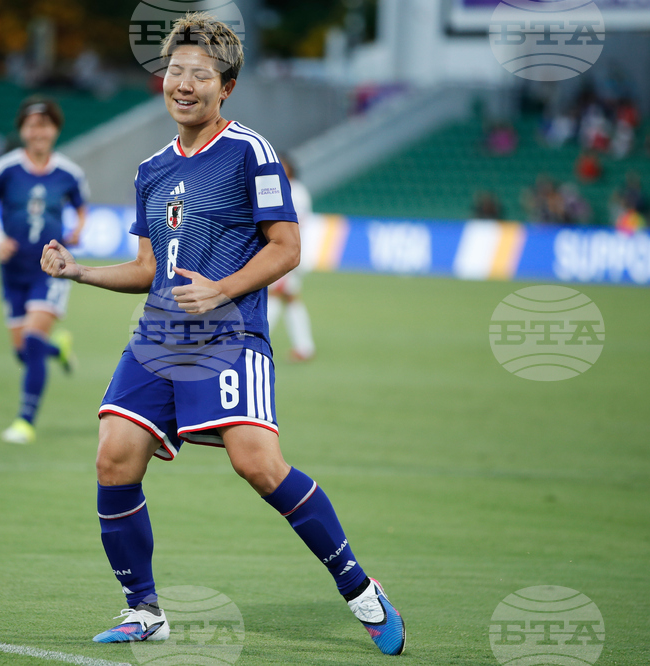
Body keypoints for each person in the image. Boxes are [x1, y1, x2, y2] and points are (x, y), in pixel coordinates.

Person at [41, 12, 405, 656]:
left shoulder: (250, 152)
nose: (183, 84)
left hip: (230, 335)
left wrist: (222, 288)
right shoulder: (151, 169)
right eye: (175, 71)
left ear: (226, 87)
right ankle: (143, 610)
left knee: (257, 464)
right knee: (114, 455)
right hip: (157, 337)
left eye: (200, 75)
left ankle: (360, 588)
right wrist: (80, 271)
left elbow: (287, 247)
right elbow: (148, 269)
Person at [0, 97, 86, 445]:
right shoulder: (6, 168)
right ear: (22, 130)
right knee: (23, 351)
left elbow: (81, 207)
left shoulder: (69, 173)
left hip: (50, 269)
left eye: (45, 125)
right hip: (13, 269)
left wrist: (78, 230)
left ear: (56, 129)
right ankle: (59, 350)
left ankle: (25, 421)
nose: (39, 132)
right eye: (32, 125)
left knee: (33, 340)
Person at [267, 155, 316, 362]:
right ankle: (304, 347)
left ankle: (256, 341)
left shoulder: (294, 192)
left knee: (274, 295)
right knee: (289, 297)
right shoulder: (294, 190)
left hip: (290, 253)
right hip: (292, 252)